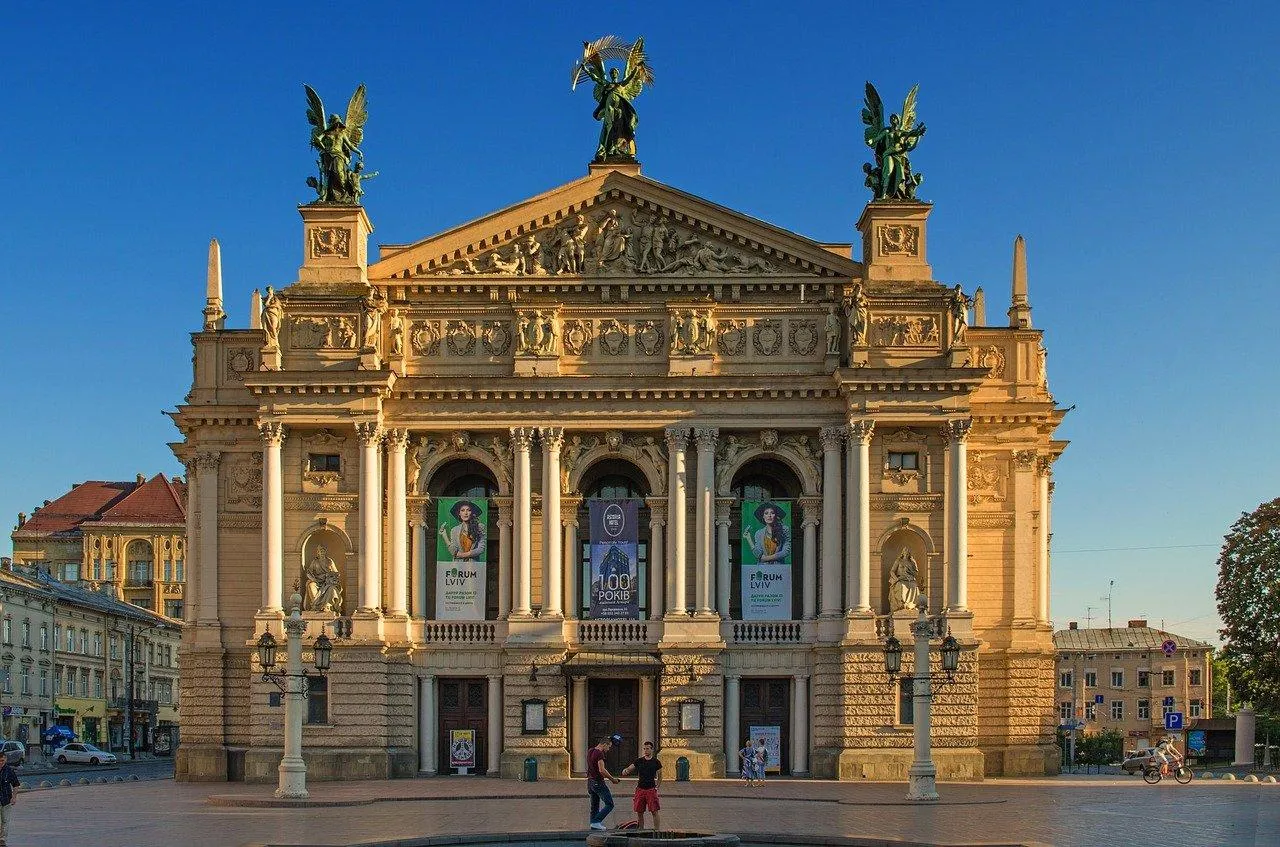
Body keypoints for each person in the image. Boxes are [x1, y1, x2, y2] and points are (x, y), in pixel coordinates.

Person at [621, 741, 663, 830]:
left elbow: (660, 776)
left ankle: (657, 830)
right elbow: (630, 768)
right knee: (639, 812)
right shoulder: (639, 761)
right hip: (640, 789)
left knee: (654, 811)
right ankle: (641, 829)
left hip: (651, 789)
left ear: (652, 749)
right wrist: (626, 770)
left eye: (647, 748)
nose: (645, 750)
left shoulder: (656, 762)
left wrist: (657, 787)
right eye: (644, 748)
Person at [587, 733, 622, 831]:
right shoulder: (599, 753)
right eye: (609, 747)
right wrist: (613, 780)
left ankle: (593, 825)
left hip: (590, 782)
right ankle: (596, 821)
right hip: (598, 782)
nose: (609, 749)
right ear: (605, 744)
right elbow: (602, 770)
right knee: (609, 804)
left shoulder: (590, 750)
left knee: (594, 805)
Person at [0, 751, 19, 847]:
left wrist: (14, 797)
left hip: (6, 799)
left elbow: (16, 784)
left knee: (5, 820)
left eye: (2, 760)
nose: (1, 762)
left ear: (6, 759)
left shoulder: (9, 771)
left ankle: (2, 839)